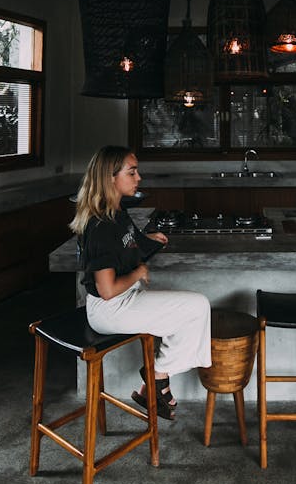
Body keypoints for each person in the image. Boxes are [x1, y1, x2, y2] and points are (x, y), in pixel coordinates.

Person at [70, 145, 211, 420]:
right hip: (110, 310)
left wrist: (151, 241)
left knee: (194, 311)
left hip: (126, 300)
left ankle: (155, 378)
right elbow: (107, 290)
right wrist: (138, 273)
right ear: (110, 177)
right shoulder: (100, 226)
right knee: (197, 308)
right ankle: (157, 376)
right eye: (131, 172)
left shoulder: (117, 211)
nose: (139, 178)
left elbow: (132, 242)